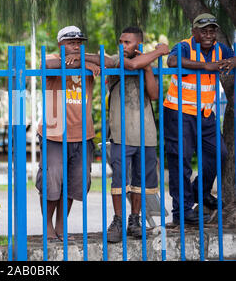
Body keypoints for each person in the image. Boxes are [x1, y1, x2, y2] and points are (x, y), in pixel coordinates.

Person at [164, 13, 236, 225]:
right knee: (181, 162)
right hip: (179, 113)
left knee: (219, 155)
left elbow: (232, 58)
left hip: (206, 114)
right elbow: (172, 60)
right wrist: (206, 66)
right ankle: (182, 212)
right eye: (203, 30)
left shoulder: (220, 49)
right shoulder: (185, 46)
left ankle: (199, 192)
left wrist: (232, 60)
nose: (208, 34)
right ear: (194, 31)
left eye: (212, 30)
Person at [101, 26, 169, 243]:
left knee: (141, 181)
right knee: (120, 181)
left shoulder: (146, 63)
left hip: (146, 132)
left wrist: (148, 67)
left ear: (138, 44)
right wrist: (159, 51)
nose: (122, 46)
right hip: (121, 133)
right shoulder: (116, 59)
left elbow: (155, 95)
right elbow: (132, 64)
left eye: (127, 42)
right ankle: (118, 221)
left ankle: (134, 220)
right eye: (121, 41)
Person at [36, 26, 100, 242]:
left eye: (80, 42)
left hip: (82, 133)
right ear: (60, 44)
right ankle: (48, 228)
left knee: (74, 184)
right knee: (51, 182)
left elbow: (111, 62)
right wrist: (85, 62)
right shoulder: (54, 58)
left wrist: (83, 60)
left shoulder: (88, 60)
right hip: (55, 132)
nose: (76, 45)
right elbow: (46, 65)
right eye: (71, 42)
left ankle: (61, 227)